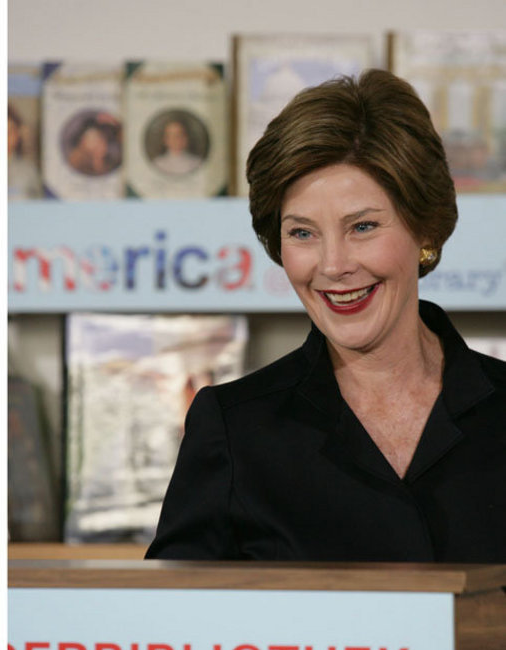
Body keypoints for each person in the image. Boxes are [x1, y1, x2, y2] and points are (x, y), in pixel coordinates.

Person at [146, 69, 506, 563]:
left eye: (362, 226)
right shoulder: (233, 429)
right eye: (302, 233)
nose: (334, 265)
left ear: (425, 229)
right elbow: (171, 629)